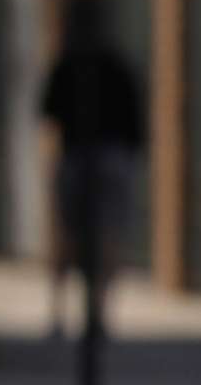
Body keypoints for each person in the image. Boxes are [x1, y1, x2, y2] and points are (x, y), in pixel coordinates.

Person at [39, 40, 143, 340]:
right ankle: (98, 313)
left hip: (77, 156)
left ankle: (59, 312)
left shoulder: (69, 61)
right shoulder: (118, 65)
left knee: (67, 233)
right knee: (107, 235)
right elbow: (136, 126)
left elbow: (48, 115)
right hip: (111, 158)